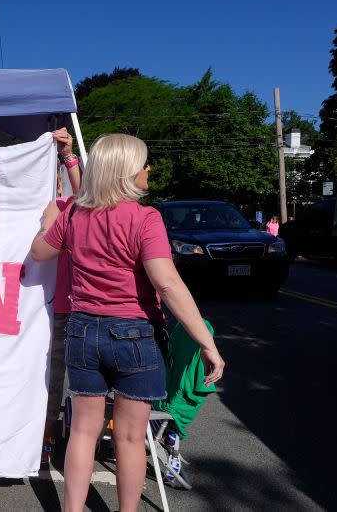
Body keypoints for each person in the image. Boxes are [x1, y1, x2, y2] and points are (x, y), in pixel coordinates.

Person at [30, 134, 225, 512]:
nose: (147, 169)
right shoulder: (145, 218)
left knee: (83, 433)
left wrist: (48, 220)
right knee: (131, 438)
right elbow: (166, 283)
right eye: (143, 164)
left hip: (83, 330)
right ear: (125, 173)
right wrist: (207, 342)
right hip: (136, 335)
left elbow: (40, 253)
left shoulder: (73, 214)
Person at [42, 128, 82, 463]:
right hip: (39, 309)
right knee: (49, 377)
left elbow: (85, 195)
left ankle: (80, 437)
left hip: (75, 308)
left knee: (83, 380)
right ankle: (47, 435)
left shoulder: (74, 207)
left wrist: (67, 154)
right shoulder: (31, 208)